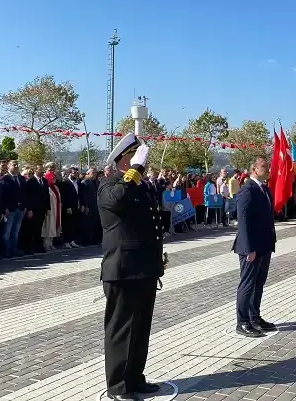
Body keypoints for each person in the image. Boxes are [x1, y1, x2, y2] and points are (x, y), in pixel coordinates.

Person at [98, 133, 164, 400]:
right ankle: (117, 386)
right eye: (136, 157)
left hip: (144, 267)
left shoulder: (142, 186)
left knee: (140, 328)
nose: (143, 163)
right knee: (121, 329)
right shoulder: (108, 185)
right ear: (124, 159)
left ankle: (135, 378)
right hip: (122, 269)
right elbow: (118, 201)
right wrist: (135, 169)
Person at [232, 156, 277, 338]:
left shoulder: (264, 189)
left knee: (259, 283)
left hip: (264, 245)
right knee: (248, 284)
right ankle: (242, 322)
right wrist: (249, 248)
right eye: (264, 167)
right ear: (254, 169)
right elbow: (242, 221)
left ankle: (255, 317)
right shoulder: (247, 189)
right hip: (251, 247)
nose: (268, 170)